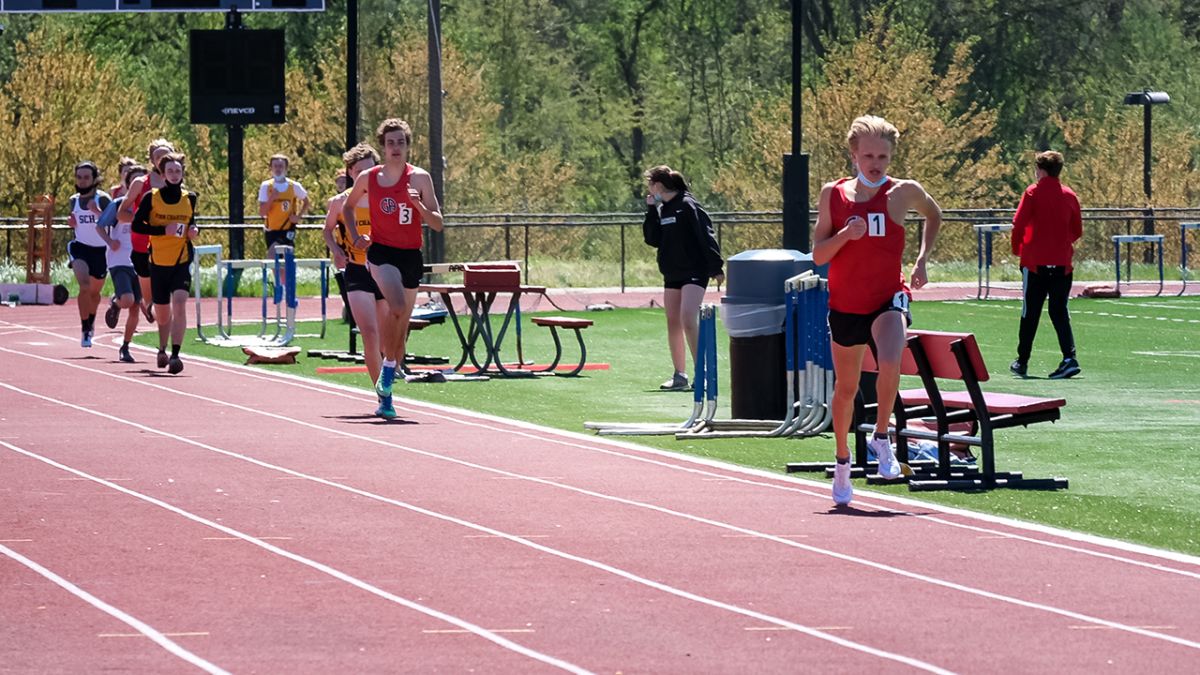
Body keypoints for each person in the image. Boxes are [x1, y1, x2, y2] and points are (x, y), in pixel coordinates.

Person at [812, 115, 942, 506]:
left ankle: (881, 437)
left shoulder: (903, 193)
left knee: (891, 359)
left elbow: (934, 215)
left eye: (882, 156)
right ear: (853, 154)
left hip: (888, 297)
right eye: (868, 154)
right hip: (846, 303)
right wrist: (844, 236)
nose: (875, 162)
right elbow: (819, 255)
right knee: (846, 389)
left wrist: (921, 260)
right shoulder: (833, 195)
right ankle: (841, 462)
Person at [343, 119, 444, 419]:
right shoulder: (369, 178)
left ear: (408, 145)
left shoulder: (421, 178)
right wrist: (355, 236)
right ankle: (388, 371)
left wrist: (420, 208)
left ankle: (386, 396)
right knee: (396, 305)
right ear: (383, 147)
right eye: (390, 143)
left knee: (401, 326)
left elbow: (438, 223)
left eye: (401, 142)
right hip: (381, 252)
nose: (396, 147)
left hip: (411, 255)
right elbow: (348, 208)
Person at [642, 165, 724, 391]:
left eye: (650, 185)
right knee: (673, 321)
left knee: (688, 318)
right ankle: (680, 375)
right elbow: (653, 239)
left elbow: (705, 234)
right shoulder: (664, 208)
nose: (648, 190)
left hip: (694, 270)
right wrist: (651, 211)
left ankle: (703, 373)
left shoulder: (687, 205)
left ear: (658, 185)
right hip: (672, 272)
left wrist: (716, 266)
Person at [1009, 150, 1082, 380]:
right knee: (1059, 311)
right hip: (1062, 264)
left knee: (1030, 312)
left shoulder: (1032, 193)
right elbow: (1077, 230)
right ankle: (1069, 357)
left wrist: (1018, 250)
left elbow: (1018, 224)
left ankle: (1022, 361)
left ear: (1040, 170)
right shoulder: (1069, 195)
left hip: (1035, 264)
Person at [323, 143, 390, 393]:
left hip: (383, 271)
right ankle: (382, 393)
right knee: (370, 334)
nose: (365, 176)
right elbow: (327, 231)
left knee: (385, 339)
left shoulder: (385, 198)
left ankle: (387, 371)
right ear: (351, 173)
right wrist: (337, 250)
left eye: (370, 170)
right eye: (360, 171)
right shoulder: (340, 202)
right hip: (357, 270)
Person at [131, 152, 199, 375]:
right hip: (159, 261)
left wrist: (193, 231)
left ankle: (176, 354)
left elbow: (191, 223)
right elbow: (137, 226)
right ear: (162, 173)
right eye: (170, 171)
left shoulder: (190, 198)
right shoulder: (152, 197)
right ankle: (161, 348)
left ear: (182, 173)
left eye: (177, 171)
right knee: (162, 313)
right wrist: (162, 230)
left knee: (179, 303)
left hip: (181, 258)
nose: (174, 174)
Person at [119, 138, 176, 325]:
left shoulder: (177, 185)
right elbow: (121, 214)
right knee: (151, 301)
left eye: (165, 155)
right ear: (152, 160)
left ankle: (167, 345)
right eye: (158, 156)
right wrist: (142, 220)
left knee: (167, 298)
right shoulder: (139, 183)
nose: (161, 159)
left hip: (168, 246)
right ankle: (150, 307)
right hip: (143, 245)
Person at [96, 165, 149, 363]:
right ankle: (116, 302)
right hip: (119, 260)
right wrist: (110, 242)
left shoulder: (150, 206)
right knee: (127, 300)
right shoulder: (118, 204)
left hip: (141, 260)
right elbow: (100, 226)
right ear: (128, 185)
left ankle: (125, 347)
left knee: (135, 308)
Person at [66, 161, 113, 348]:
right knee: (84, 287)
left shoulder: (103, 199)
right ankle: (85, 328)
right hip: (80, 247)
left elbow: (114, 222)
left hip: (101, 251)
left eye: (86, 177)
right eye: (79, 177)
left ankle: (91, 320)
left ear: (94, 179)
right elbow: (75, 222)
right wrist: (72, 223)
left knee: (94, 293)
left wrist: (97, 211)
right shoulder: (73, 200)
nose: (83, 181)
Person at [258, 153, 311, 259]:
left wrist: (298, 217)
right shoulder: (266, 186)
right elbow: (262, 212)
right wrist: (272, 198)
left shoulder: (294, 186)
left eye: (281, 166)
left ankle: (283, 276)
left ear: (286, 168)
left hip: (287, 228)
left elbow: (307, 201)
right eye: (275, 166)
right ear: (271, 168)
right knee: (277, 259)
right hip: (271, 229)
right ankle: (281, 276)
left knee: (274, 256)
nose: (278, 169)